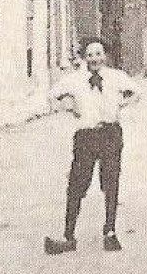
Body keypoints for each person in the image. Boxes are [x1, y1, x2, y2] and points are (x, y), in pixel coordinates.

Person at [44, 40, 138, 254]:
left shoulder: (115, 77)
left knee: (111, 182)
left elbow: (136, 91)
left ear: (104, 56)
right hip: (86, 136)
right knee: (77, 184)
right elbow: (52, 95)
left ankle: (110, 232)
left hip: (110, 133)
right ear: (84, 58)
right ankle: (68, 236)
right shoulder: (76, 80)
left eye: (98, 54)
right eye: (90, 55)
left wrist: (119, 105)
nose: (94, 58)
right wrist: (69, 106)